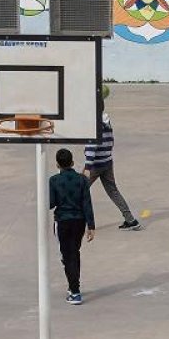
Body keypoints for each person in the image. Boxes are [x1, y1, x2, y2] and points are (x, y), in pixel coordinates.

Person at [83, 85, 140, 230]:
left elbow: (92, 146)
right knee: (113, 191)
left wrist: (87, 167)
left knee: (78, 191)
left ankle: (77, 223)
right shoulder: (106, 120)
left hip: (95, 164)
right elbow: (110, 141)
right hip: (107, 162)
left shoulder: (94, 124)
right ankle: (130, 220)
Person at [49, 148, 95, 305]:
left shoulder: (54, 180)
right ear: (73, 162)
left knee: (66, 255)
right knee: (74, 252)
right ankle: (74, 285)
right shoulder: (82, 180)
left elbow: (51, 203)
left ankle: (75, 290)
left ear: (57, 164)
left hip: (62, 221)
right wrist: (91, 225)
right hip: (79, 221)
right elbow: (87, 203)